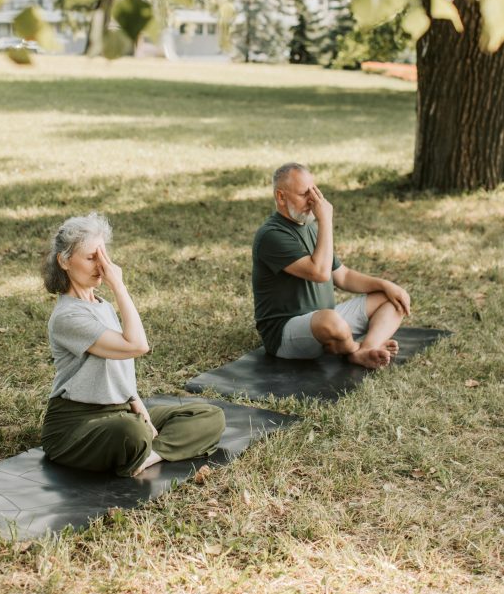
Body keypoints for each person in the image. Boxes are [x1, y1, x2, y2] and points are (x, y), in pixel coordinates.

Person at [41, 213, 225, 477]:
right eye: (92, 258)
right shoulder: (68, 316)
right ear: (65, 261)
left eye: (103, 256)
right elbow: (138, 345)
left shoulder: (101, 306)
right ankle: (144, 449)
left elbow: (120, 369)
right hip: (75, 424)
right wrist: (119, 286)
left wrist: (140, 409)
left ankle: (148, 457)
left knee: (210, 415)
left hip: (121, 411)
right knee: (133, 432)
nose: (102, 267)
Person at [252, 163, 411, 369]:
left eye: (314, 191)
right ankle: (353, 348)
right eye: (304, 194)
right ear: (281, 197)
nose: (313, 200)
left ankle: (366, 350)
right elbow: (319, 273)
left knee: (393, 300)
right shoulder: (271, 235)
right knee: (330, 320)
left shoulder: (310, 226)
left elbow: (343, 276)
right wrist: (325, 219)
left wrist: (385, 285)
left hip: (327, 320)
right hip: (286, 333)